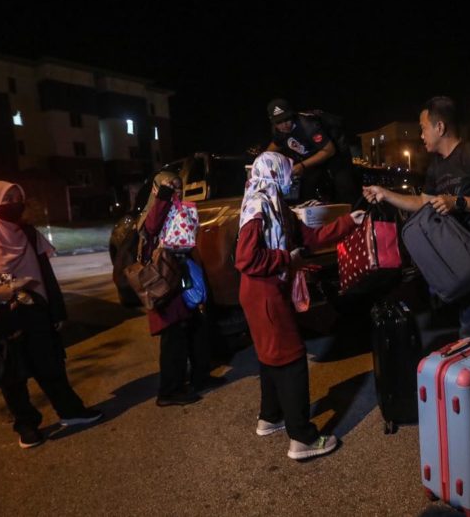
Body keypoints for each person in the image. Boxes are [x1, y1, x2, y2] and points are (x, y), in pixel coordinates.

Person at [0, 181, 102, 449]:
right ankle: (27, 425)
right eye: (6, 198)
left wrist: (57, 310)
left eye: (17, 197)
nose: (14, 204)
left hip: (35, 311)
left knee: (51, 366)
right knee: (12, 378)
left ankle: (71, 412)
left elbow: (47, 277)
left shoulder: (31, 235)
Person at [235, 151, 365, 461]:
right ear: (273, 172)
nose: (293, 178)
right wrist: (285, 259)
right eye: (288, 173)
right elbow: (245, 259)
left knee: (270, 356)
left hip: (261, 292)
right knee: (291, 359)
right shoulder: (259, 206)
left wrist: (349, 221)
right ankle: (302, 438)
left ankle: (270, 417)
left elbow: (310, 237)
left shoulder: (276, 204)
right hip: (264, 294)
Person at [362, 96, 470, 339]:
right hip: (463, 263)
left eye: (423, 128)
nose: (421, 135)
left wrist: (459, 203)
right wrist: (385, 194)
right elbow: (424, 203)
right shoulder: (436, 166)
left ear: (440, 127)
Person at [137, 171, 224, 407]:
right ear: (156, 190)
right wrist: (164, 196)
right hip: (164, 280)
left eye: (177, 187)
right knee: (172, 336)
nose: (175, 192)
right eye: (168, 187)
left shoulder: (176, 209)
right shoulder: (152, 213)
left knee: (196, 327)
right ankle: (169, 391)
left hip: (180, 274)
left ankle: (200, 377)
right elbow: (153, 227)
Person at [265, 98, 360, 204]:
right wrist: (260, 161)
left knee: (344, 187)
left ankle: (354, 214)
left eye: (287, 119)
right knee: (307, 189)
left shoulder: (308, 126)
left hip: (335, 152)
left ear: (292, 115)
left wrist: (302, 166)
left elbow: (329, 151)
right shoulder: (279, 130)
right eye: (279, 122)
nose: (284, 125)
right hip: (314, 154)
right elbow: (274, 146)